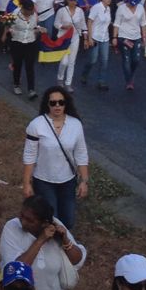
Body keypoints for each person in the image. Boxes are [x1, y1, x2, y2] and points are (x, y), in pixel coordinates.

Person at [0, 195, 86, 290]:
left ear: (44, 223)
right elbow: (16, 269)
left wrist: (65, 240)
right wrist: (40, 240)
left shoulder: (56, 225)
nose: (23, 222)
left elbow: (78, 260)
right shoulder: (11, 228)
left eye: (30, 220)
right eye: (21, 216)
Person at [22, 86, 89, 230]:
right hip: (43, 180)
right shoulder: (36, 125)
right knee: (52, 220)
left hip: (68, 181)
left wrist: (84, 180)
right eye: (53, 103)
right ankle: (52, 247)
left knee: (68, 220)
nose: (57, 106)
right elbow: (29, 155)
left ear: (66, 103)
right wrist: (27, 183)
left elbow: (81, 153)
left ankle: (64, 244)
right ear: (47, 104)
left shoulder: (75, 125)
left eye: (61, 102)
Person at [5, 0, 44, 99]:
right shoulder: (15, 14)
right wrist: (11, 33)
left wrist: (39, 30)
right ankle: (16, 84)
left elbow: (35, 27)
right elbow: (10, 27)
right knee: (17, 65)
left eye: (32, 11)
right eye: (28, 11)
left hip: (30, 42)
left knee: (30, 66)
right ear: (23, 8)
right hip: (17, 42)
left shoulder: (34, 15)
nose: (30, 13)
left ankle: (31, 89)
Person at [112, 0, 146, 90]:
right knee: (126, 60)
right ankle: (129, 81)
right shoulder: (121, 8)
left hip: (136, 37)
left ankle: (131, 75)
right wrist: (114, 37)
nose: (132, 5)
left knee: (136, 60)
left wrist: (144, 37)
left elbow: (143, 23)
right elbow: (116, 24)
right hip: (124, 36)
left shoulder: (141, 8)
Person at [54, 0, 88, 92]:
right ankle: (60, 78)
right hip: (63, 38)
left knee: (72, 61)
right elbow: (56, 24)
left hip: (75, 38)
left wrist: (85, 39)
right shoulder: (62, 11)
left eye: (75, 0)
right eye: (72, 0)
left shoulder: (80, 11)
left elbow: (83, 26)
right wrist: (63, 27)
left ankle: (68, 83)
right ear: (68, 0)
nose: (74, 2)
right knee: (64, 62)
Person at [81, 0, 113, 91]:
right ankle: (84, 74)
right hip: (95, 36)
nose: (109, 0)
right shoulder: (96, 7)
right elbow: (90, 21)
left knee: (105, 60)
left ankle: (101, 81)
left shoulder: (108, 9)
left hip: (105, 37)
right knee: (93, 60)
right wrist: (89, 37)